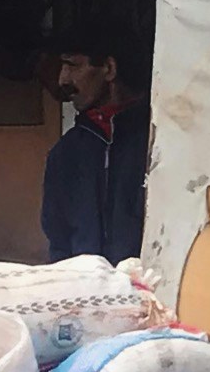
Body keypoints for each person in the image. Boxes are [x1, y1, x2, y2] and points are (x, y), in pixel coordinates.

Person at [42, 31, 150, 263]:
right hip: (82, 283)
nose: (63, 80)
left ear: (109, 69)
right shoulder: (65, 153)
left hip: (148, 281)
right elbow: (58, 241)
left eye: (72, 66)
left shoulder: (155, 141)